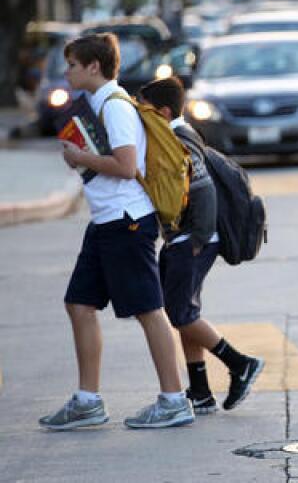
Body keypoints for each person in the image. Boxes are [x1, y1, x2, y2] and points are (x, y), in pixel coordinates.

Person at [40, 34, 194, 430]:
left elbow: (127, 167)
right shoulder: (96, 104)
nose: (67, 71)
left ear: (94, 66)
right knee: (79, 303)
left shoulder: (115, 106)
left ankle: (174, 399)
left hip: (127, 221)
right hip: (105, 221)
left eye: (72, 64)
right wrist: (84, 159)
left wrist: (81, 157)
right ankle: (88, 400)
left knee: (148, 309)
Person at [138, 77, 265, 416]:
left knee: (179, 313)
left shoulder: (178, 140)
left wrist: (195, 239)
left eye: (146, 111)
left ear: (163, 112)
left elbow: (203, 189)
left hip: (193, 240)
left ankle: (240, 364)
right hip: (188, 239)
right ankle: (200, 391)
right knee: (183, 312)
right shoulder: (181, 134)